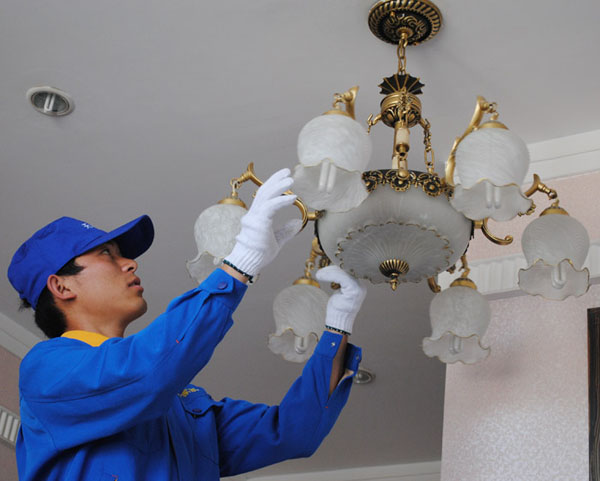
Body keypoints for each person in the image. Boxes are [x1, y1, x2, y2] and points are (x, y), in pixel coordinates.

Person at [7, 168, 367, 481]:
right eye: (107, 254)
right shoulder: (47, 370)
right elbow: (145, 371)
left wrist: (337, 325)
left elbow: (292, 432)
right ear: (61, 286)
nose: (130, 263)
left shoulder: (182, 403)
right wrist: (240, 264)